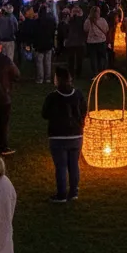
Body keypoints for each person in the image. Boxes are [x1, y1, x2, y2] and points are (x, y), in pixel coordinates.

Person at [41, 66, 87, 203]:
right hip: (76, 135)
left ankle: (61, 194)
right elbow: (84, 110)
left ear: (58, 79)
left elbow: (44, 114)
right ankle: (73, 192)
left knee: (61, 166)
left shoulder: (52, 97)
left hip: (58, 136)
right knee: (74, 164)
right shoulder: (78, 94)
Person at [33, 5, 56, 84]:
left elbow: (34, 33)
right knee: (48, 61)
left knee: (39, 62)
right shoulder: (51, 20)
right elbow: (53, 31)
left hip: (39, 43)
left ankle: (40, 78)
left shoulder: (36, 22)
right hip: (48, 42)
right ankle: (48, 78)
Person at [84, 6, 108, 77]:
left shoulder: (88, 21)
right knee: (102, 58)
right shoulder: (103, 20)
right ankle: (102, 73)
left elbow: (85, 29)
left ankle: (95, 73)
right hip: (101, 41)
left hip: (91, 42)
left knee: (93, 58)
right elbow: (106, 29)